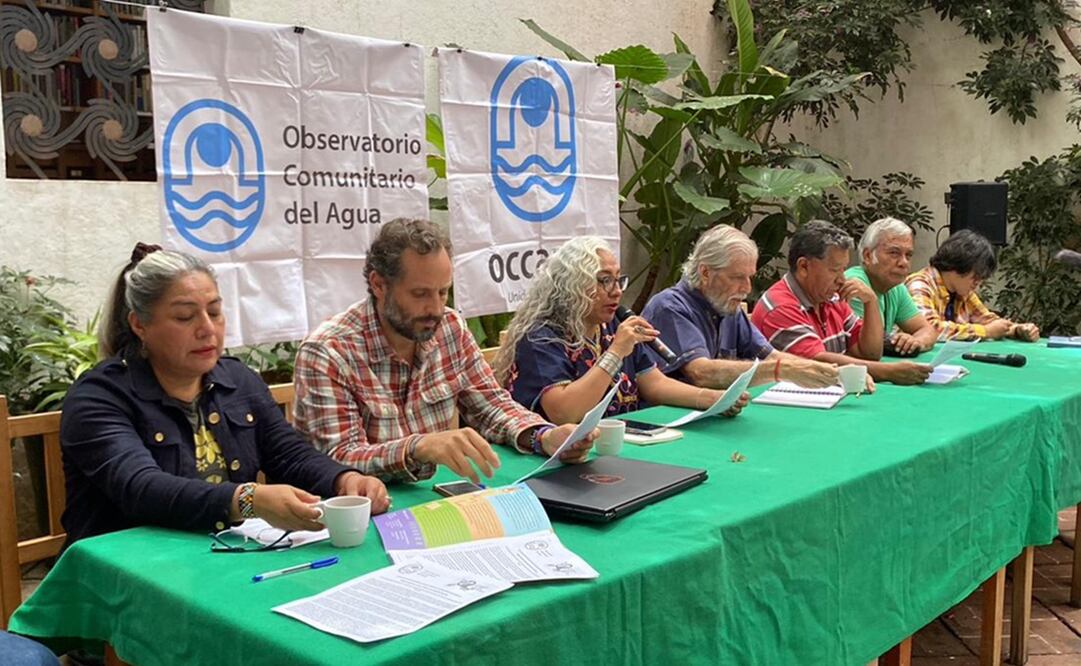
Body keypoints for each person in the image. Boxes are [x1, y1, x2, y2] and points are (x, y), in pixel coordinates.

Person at [59, 245, 389, 546]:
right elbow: (142, 488)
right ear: (139, 324)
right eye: (185, 317)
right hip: (122, 574)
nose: (207, 329)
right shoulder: (98, 398)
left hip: (219, 553)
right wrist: (247, 499)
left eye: (214, 312)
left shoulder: (237, 380)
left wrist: (343, 479)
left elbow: (289, 454)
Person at [293, 219, 595, 485]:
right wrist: (418, 448)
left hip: (431, 504)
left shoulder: (449, 326)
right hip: (355, 523)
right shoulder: (328, 352)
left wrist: (544, 437)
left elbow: (491, 404)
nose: (436, 309)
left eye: (443, 292)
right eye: (420, 294)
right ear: (378, 285)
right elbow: (338, 459)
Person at [492, 236, 750, 424]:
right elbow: (565, 413)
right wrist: (616, 352)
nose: (616, 291)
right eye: (604, 280)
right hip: (558, 457)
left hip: (621, 447)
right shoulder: (543, 336)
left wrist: (712, 399)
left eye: (618, 279)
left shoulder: (613, 323)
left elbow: (654, 384)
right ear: (573, 286)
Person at [641, 224, 839, 389]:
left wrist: (832, 374)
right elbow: (700, 373)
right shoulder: (670, 307)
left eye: (749, 277)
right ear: (705, 272)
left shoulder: (726, 305)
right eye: (737, 277)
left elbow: (771, 355)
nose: (747, 288)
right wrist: (780, 370)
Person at [751, 220, 930, 386]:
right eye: (835, 270)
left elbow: (870, 353)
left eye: (843, 269)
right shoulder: (780, 306)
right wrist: (890, 372)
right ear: (804, 266)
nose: (842, 279)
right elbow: (817, 361)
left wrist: (871, 303)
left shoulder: (831, 297)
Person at [905, 230, 1040, 342]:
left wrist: (1018, 329)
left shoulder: (962, 292)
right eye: (975, 277)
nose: (978, 283)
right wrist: (985, 332)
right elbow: (929, 330)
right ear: (957, 265)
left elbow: (990, 321)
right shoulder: (920, 284)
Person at [846, 217, 938, 355]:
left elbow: (927, 330)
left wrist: (916, 341)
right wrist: (904, 343)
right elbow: (869, 347)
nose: (904, 262)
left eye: (908, 255)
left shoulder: (895, 286)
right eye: (894, 253)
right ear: (868, 256)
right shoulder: (855, 284)